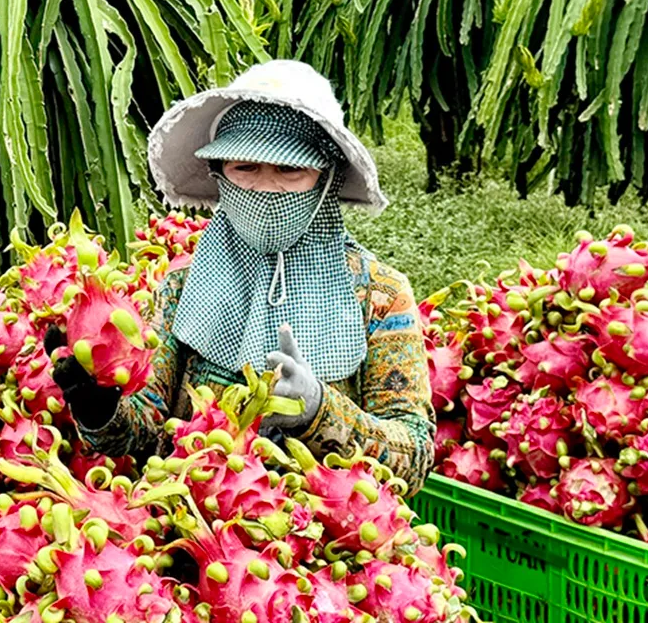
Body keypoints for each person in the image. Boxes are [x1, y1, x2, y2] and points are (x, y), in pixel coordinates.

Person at [51, 60, 435, 492]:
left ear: (326, 177)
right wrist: (98, 408)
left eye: (290, 170)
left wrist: (319, 410)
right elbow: (145, 428)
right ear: (219, 174)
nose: (265, 188)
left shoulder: (380, 296)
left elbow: (415, 456)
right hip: (194, 525)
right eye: (244, 168)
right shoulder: (184, 285)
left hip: (322, 543)